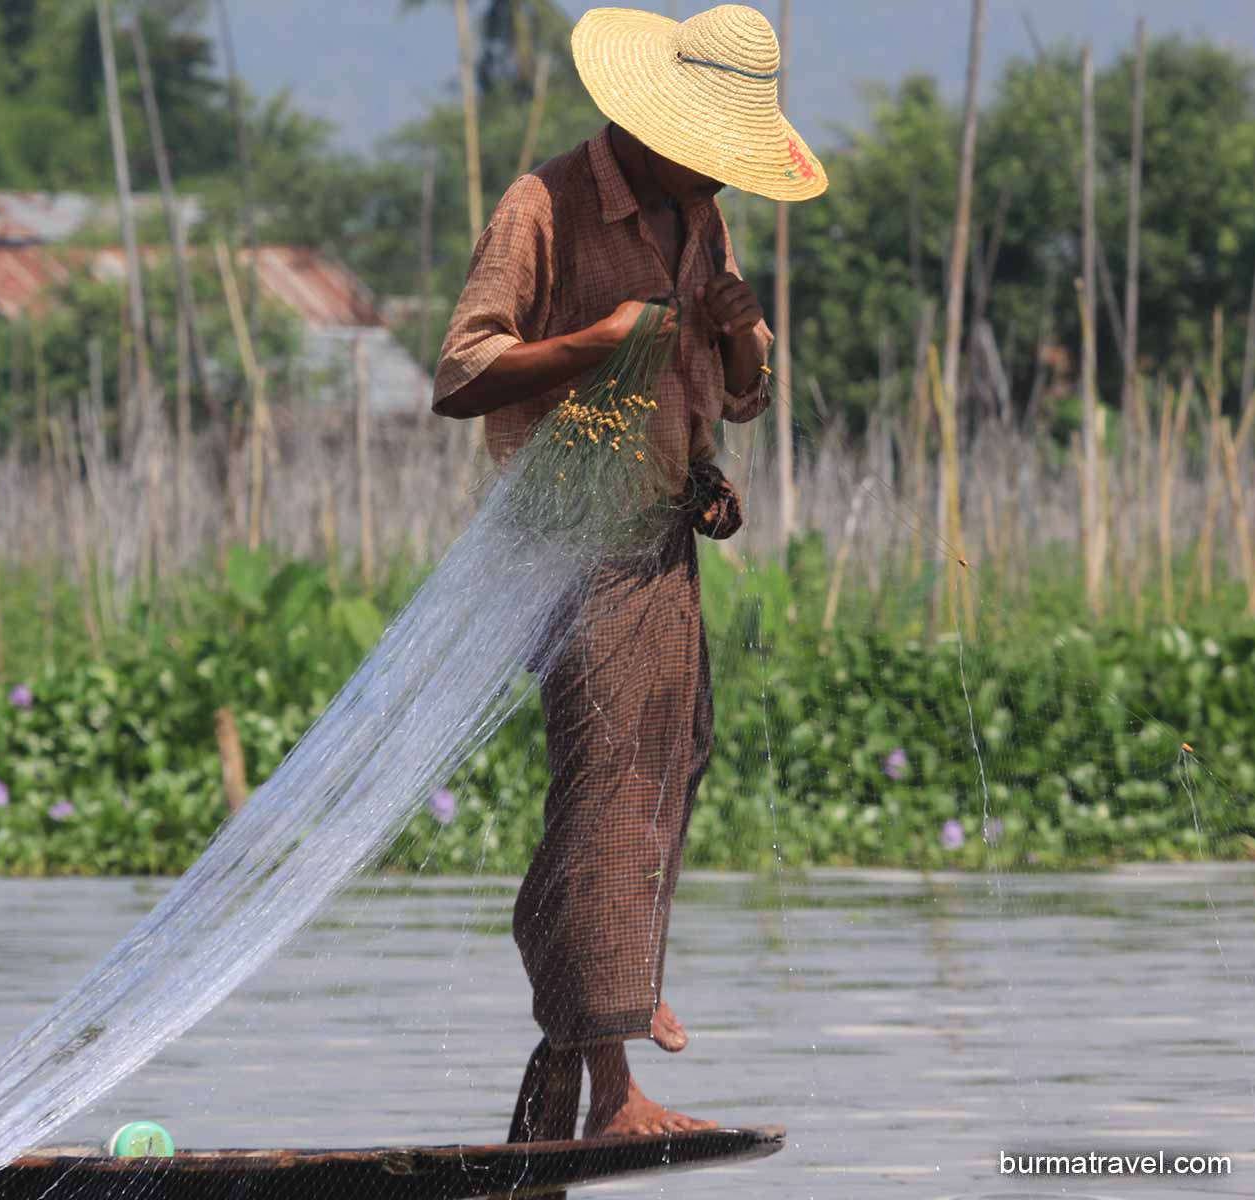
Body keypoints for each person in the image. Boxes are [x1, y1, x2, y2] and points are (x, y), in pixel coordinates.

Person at [430, 5, 826, 1142]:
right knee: (608, 783)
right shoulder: (543, 205)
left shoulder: (698, 217)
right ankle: (613, 1084)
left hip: (660, 536)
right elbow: (462, 375)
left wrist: (742, 341)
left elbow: (739, 391)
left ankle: (600, 1002)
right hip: (567, 541)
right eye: (704, 146)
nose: (718, 173)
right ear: (644, 120)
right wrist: (598, 342)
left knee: (668, 765)